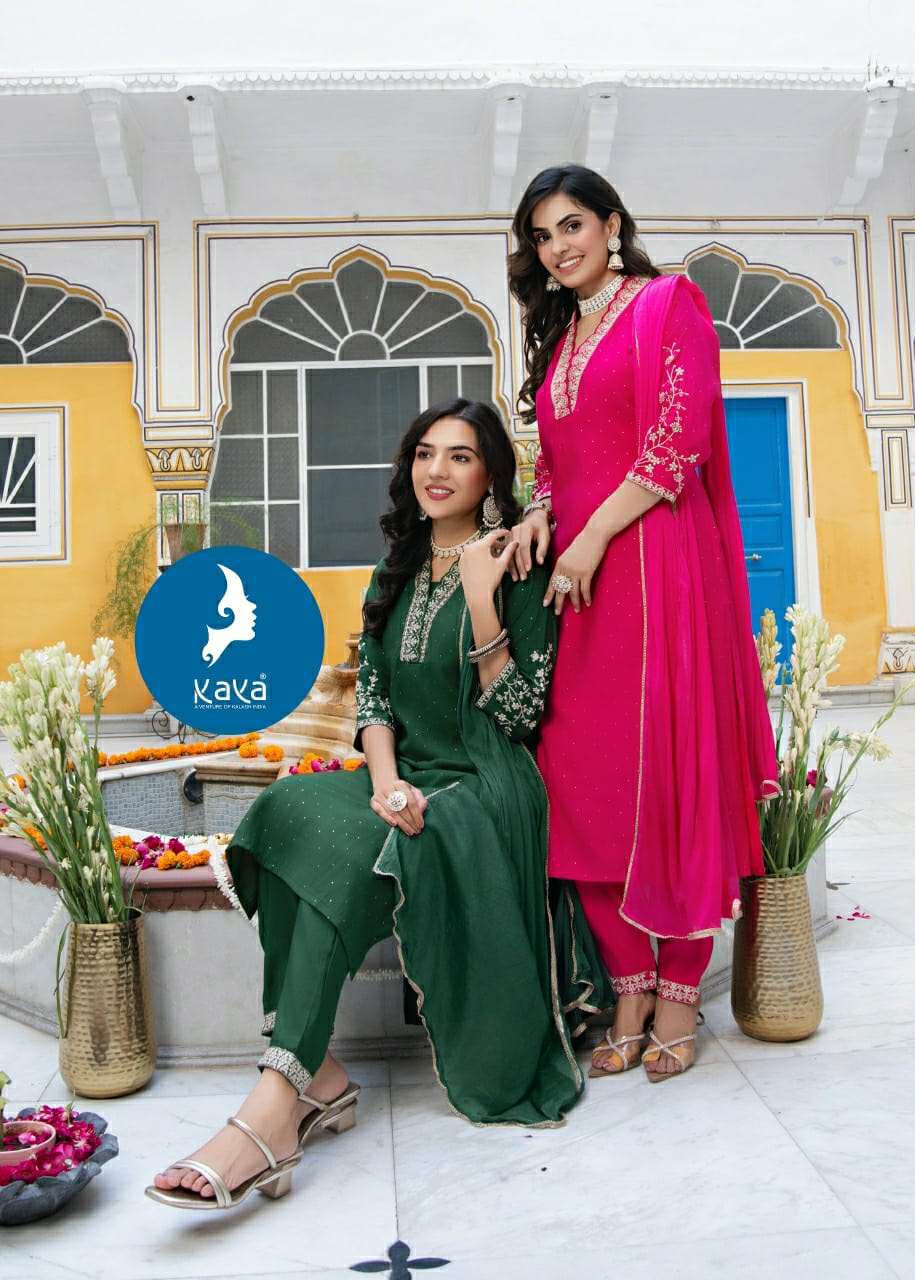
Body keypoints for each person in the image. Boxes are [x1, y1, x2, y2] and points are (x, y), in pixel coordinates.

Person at [147, 398, 583, 1212]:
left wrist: (483, 600)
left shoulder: (520, 564)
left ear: (491, 474)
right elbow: (373, 695)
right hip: (404, 770)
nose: (437, 471)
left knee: (357, 854)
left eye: (460, 456)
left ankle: (279, 1102)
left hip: (484, 782)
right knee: (291, 812)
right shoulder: (398, 567)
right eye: (425, 453)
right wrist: (384, 781)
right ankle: (310, 1072)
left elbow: (520, 717)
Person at [508, 164, 778, 1082]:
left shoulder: (669, 303)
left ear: (612, 224)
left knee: (671, 765)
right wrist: (543, 514)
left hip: (657, 562)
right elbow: (557, 461)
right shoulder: (559, 340)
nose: (558, 247)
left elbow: (677, 442)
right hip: (579, 582)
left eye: (572, 225)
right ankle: (628, 986)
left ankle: (679, 991)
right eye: (542, 236)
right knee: (585, 778)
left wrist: (590, 537)